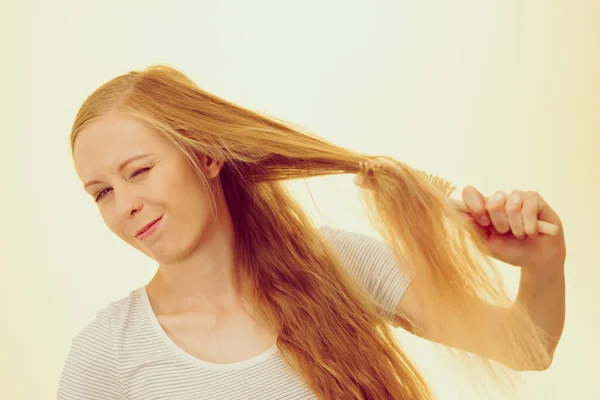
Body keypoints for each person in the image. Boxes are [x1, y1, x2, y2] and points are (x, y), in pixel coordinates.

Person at [57, 65, 566, 400]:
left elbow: (528, 349)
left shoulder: (337, 266)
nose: (125, 206)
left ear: (206, 154)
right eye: (100, 192)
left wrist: (544, 261)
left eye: (139, 172)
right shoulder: (107, 356)